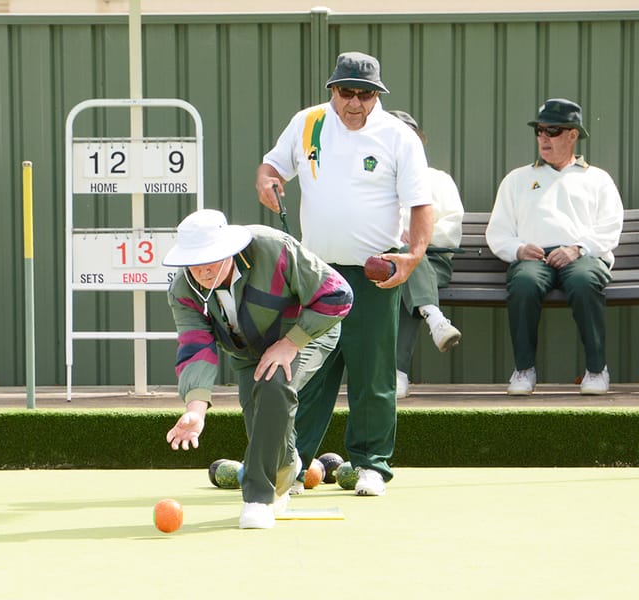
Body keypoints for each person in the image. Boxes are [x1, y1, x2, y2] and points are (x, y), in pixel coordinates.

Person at [255, 51, 433, 496]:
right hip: (315, 275)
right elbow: (273, 166)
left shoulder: (398, 137)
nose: (355, 103)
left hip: (373, 274)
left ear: (378, 95)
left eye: (365, 94)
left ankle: (371, 465)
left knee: (372, 374)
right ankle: (295, 463)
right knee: (310, 371)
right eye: (346, 92)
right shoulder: (308, 122)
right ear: (332, 89)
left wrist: (412, 257)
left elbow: (420, 204)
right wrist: (267, 180)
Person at [163, 209, 353, 529]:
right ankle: (288, 466)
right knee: (264, 424)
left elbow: (337, 295)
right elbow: (196, 347)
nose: (204, 269)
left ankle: (257, 499)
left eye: (211, 258)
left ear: (229, 249)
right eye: (194, 262)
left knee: (274, 381)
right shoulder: (183, 290)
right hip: (248, 351)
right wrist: (196, 409)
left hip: (307, 331)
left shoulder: (273, 248)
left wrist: (291, 343)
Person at [485, 98, 624, 396]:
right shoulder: (517, 179)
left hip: (583, 256)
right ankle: (524, 370)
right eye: (539, 131)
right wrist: (519, 250)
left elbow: (610, 227)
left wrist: (577, 248)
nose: (544, 138)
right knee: (524, 282)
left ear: (573, 135)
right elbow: (498, 232)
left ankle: (597, 370)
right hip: (534, 257)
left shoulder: (597, 179)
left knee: (584, 281)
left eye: (553, 131)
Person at [387, 110, 464, 399]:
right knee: (403, 268)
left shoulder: (438, 180)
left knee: (406, 270)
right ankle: (433, 315)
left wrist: (419, 237)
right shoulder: (371, 180)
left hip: (433, 261)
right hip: (383, 261)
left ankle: (396, 373)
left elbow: (452, 227)